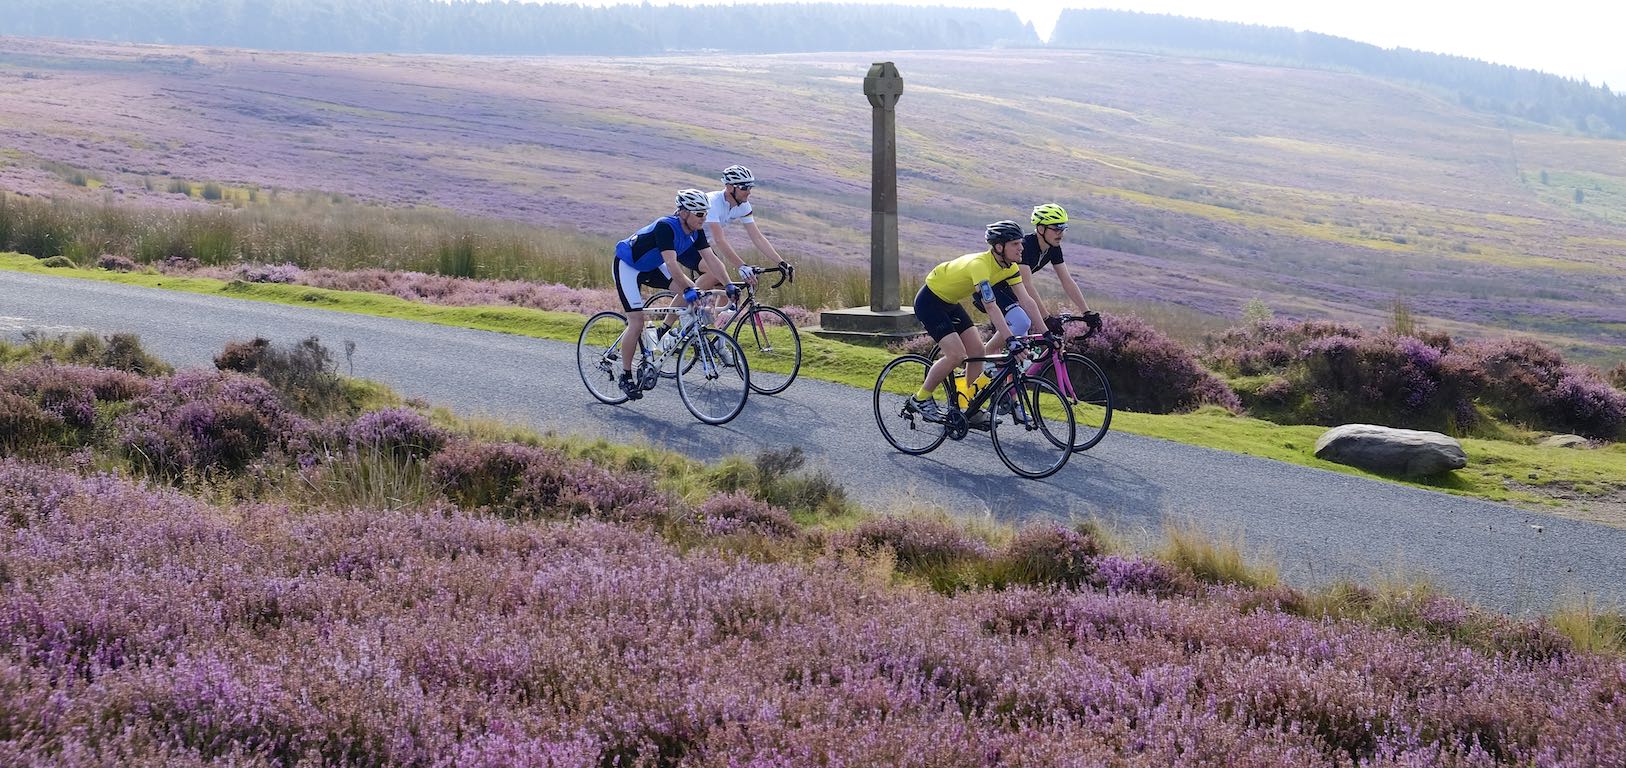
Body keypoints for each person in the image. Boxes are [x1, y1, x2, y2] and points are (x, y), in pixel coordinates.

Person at [907, 220, 1046, 426]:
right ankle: (921, 398)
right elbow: (991, 306)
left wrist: (1046, 333)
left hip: (950, 302)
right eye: (1015, 244)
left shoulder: (1010, 267)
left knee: (978, 352)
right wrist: (1010, 339)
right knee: (956, 355)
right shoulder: (980, 265)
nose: (1021, 247)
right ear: (999, 247)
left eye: (1021, 243)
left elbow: (1027, 301)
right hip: (930, 301)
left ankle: (969, 407)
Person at [611, 188, 730, 400]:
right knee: (637, 321)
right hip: (628, 266)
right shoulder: (666, 226)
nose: (704, 218)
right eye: (699, 214)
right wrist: (687, 288)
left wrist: (729, 284)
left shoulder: (696, 230)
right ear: (684, 213)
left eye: (705, 213)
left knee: (690, 292)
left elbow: (711, 259)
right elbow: (671, 263)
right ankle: (626, 375)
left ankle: (662, 334)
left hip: (651, 266)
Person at [972, 203, 1101, 350]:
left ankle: (1002, 368)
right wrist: (1046, 318)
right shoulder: (1025, 246)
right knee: (1021, 323)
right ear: (1041, 229)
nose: (1061, 233)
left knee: (1023, 342)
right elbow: (1027, 285)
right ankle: (986, 356)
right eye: (1056, 229)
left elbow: (1067, 280)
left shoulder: (1053, 248)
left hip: (1012, 292)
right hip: (993, 289)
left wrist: (1087, 312)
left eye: (1063, 228)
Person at [701, 164, 787, 292]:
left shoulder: (744, 207)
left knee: (725, 286)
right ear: (730, 187)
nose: (749, 192)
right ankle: (687, 301)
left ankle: (714, 312)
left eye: (750, 187)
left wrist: (781, 262)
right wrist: (742, 266)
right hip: (683, 241)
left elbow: (757, 237)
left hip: (701, 244)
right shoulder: (712, 202)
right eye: (744, 187)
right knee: (715, 274)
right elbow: (719, 240)